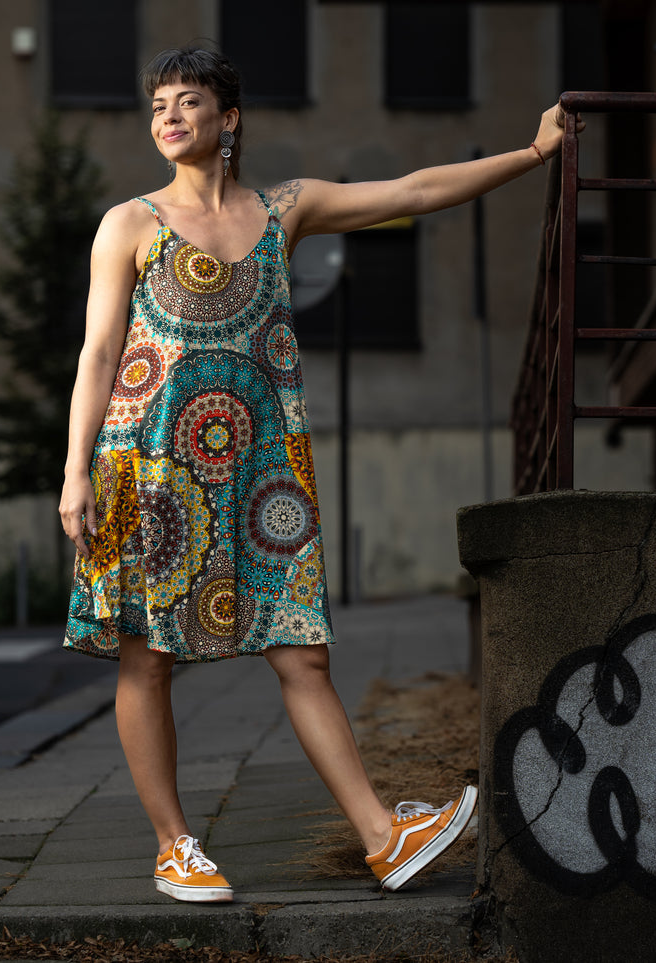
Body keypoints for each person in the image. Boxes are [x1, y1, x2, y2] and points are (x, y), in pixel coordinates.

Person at [57, 46, 577, 903]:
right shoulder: (128, 224)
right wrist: (75, 470)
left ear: (229, 120)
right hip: (147, 471)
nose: (170, 117)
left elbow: (410, 190)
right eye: (158, 106)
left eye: (189, 102)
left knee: (304, 652)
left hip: (265, 473)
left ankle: (383, 837)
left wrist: (530, 156)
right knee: (145, 660)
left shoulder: (282, 210)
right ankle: (174, 845)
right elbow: (99, 352)